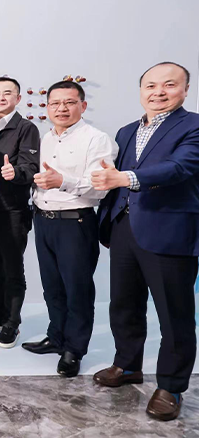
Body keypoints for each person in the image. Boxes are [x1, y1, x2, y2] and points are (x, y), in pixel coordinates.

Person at [92, 62, 199, 421]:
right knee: (123, 303)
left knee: (174, 313)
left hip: (169, 230)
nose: (158, 92)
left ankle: (171, 386)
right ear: (141, 91)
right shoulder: (126, 131)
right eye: (151, 86)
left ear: (185, 89)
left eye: (169, 85)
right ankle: (127, 365)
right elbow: (111, 175)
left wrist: (125, 178)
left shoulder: (194, 126)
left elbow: (181, 168)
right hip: (124, 226)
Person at [22, 80, 117, 377]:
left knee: (77, 289)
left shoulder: (96, 139)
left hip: (75, 222)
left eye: (69, 102)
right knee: (52, 286)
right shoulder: (45, 138)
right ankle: (56, 337)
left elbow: (101, 187)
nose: (61, 108)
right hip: (43, 220)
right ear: (47, 107)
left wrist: (62, 181)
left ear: (83, 106)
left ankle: (74, 349)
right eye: (55, 103)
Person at [0, 76, 40, 348]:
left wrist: (16, 172)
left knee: (13, 267)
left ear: (18, 98)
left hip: (13, 209)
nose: (1, 97)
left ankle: (12, 322)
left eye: (7, 93)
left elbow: (32, 167)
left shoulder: (26, 128)